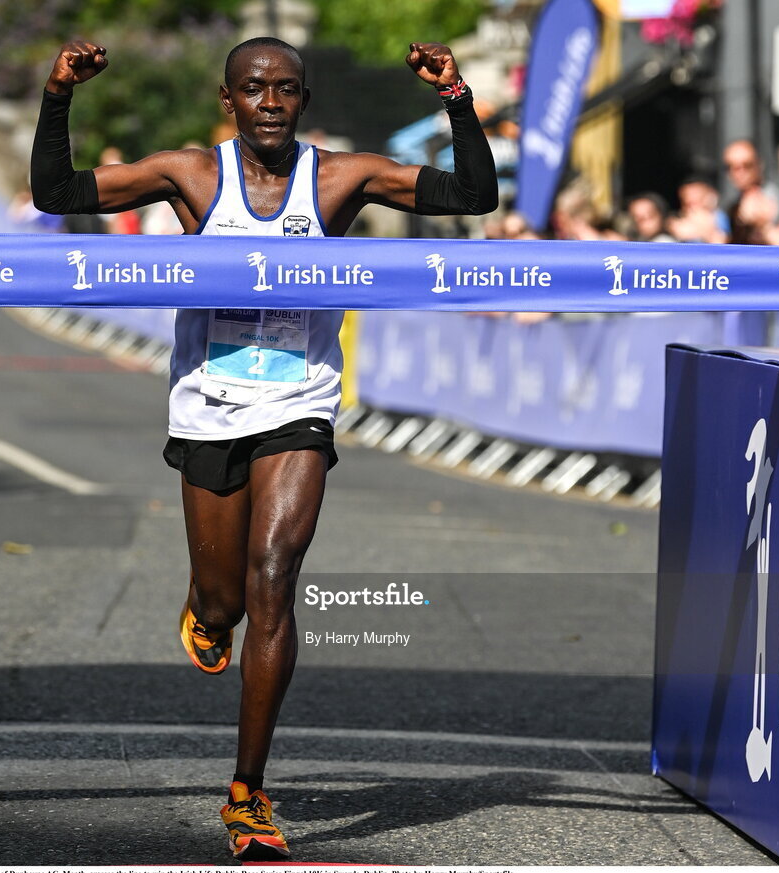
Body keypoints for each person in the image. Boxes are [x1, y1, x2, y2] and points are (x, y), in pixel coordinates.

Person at [31, 36, 497, 860]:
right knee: (226, 604)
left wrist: (455, 96)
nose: (271, 102)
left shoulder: (342, 178)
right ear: (229, 100)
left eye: (285, 89)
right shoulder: (191, 174)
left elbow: (471, 194)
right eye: (255, 90)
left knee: (275, 575)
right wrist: (60, 94)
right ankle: (205, 607)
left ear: (303, 101)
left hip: (299, 403)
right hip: (210, 407)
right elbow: (56, 190)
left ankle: (247, 792)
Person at [722, 138, 779, 245]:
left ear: (759, 165)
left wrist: (761, 223)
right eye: (731, 167)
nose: (739, 173)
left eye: (747, 165)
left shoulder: (773, 196)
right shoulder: (733, 202)